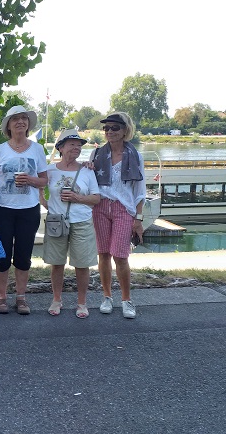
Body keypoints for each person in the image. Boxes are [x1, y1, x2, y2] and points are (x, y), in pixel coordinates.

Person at [0, 105, 48, 314]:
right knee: (2, 256)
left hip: (28, 210)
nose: (20, 122)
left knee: (23, 256)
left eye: (24, 118)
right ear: (8, 125)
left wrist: (31, 180)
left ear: (28, 124)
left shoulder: (37, 149)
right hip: (1, 209)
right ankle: (2, 297)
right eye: (16, 119)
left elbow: (44, 181)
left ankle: (21, 298)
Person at [91, 112, 145, 319]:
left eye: (114, 128)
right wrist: (87, 168)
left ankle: (126, 299)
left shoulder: (135, 156)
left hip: (124, 208)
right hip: (101, 207)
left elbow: (140, 190)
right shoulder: (96, 154)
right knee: (103, 253)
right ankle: (106, 296)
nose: (109, 132)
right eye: (106, 128)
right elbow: (88, 179)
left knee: (120, 255)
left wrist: (138, 219)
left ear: (125, 130)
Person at [41, 129, 100, 319]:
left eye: (79, 145)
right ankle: (56, 299)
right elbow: (39, 188)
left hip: (81, 220)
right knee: (57, 263)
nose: (77, 147)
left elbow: (96, 198)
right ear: (60, 147)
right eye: (72, 144)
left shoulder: (87, 171)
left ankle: (82, 303)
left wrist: (78, 198)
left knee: (82, 264)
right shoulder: (49, 169)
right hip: (57, 221)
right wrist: (47, 204)